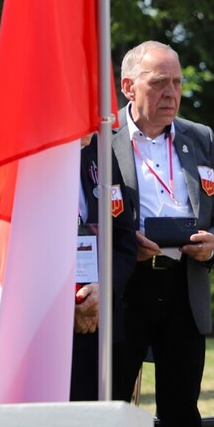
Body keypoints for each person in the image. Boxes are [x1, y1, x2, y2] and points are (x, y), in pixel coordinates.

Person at [110, 40, 214, 427]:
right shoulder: (102, 137)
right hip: (125, 289)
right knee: (117, 410)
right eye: (158, 82)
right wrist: (124, 243)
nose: (171, 93)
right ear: (128, 86)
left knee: (180, 412)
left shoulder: (199, 138)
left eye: (177, 82)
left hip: (183, 286)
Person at [70, 134, 138, 400]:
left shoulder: (99, 147)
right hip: (39, 328)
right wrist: (69, 302)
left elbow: (123, 239)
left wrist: (102, 292)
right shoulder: (24, 149)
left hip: (100, 323)